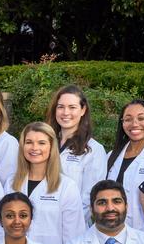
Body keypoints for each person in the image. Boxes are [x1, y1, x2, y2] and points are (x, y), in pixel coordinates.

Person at [7, 122, 84, 244]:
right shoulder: (11, 183)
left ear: (51, 147)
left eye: (41, 143)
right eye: (29, 142)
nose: (34, 148)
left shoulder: (67, 186)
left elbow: (74, 236)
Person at [45, 85, 107, 221]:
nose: (65, 112)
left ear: (83, 110)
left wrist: (71, 222)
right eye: (60, 107)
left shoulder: (94, 150)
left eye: (72, 107)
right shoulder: (44, 143)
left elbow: (90, 197)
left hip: (73, 224)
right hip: (42, 220)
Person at [106, 99, 144, 232]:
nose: (134, 124)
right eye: (128, 119)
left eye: (142, 118)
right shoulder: (110, 157)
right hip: (112, 234)